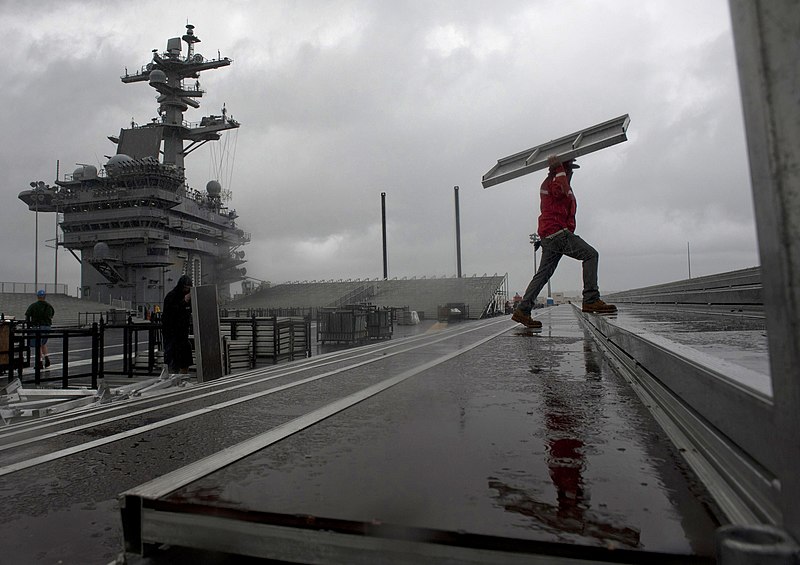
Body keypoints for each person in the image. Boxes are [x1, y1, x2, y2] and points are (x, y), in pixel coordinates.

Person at [512, 154, 616, 329]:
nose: (570, 173)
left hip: (551, 235)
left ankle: (523, 310)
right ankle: (591, 299)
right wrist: (559, 169)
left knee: (543, 275)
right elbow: (560, 192)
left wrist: (561, 171)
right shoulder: (555, 181)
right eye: (569, 169)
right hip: (557, 233)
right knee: (591, 255)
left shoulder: (554, 181)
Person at [161, 275, 194, 374]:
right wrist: (184, 301)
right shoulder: (172, 296)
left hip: (183, 333)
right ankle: (171, 377)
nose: (186, 290)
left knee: (185, 356)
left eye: (188, 288)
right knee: (171, 356)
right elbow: (171, 312)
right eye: (185, 288)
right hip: (171, 332)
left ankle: (183, 376)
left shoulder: (189, 298)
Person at [25, 289, 55, 368]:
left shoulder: (33, 306)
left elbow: (27, 315)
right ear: (44, 296)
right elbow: (52, 315)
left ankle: (40, 362)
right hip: (47, 327)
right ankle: (47, 357)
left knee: (38, 344)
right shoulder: (49, 306)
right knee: (43, 343)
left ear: (37, 296)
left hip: (37, 327)